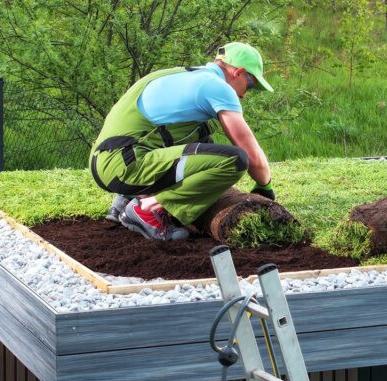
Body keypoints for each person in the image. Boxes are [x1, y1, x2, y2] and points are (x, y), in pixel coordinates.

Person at [89, 42, 276, 240]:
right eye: (252, 84)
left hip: (108, 161)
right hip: (126, 165)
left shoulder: (175, 75)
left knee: (203, 138)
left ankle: (125, 200)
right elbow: (252, 157)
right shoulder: (218, 87)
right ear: (239, 72)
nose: (246, 94)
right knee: (235, 160)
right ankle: (148, 209)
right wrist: (265, 187)